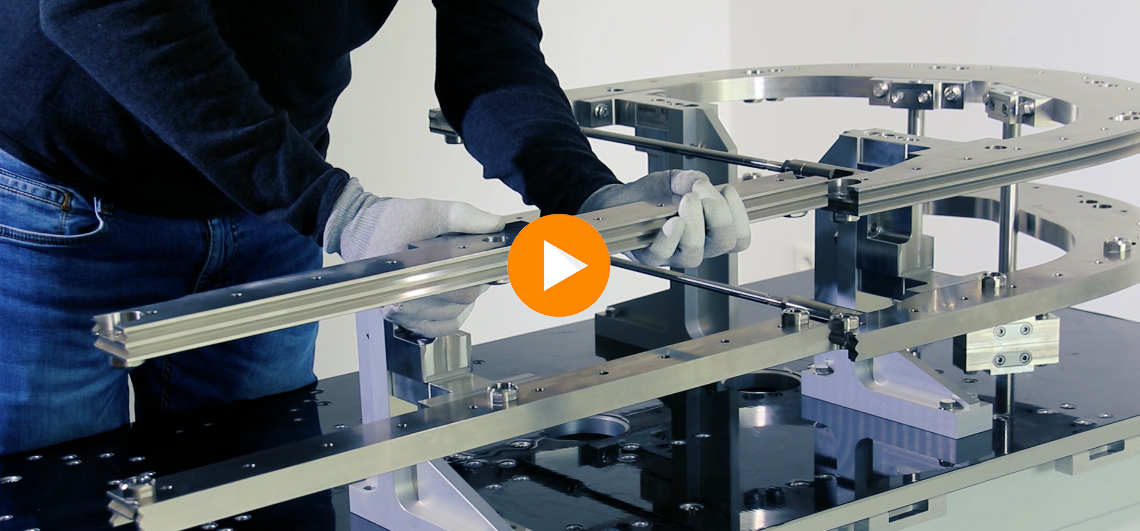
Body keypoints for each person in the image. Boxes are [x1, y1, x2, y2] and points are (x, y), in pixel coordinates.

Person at [0, 0, 750, 455]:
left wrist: (586, 192)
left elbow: (491, 54)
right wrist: (338, 211)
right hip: (61, 201)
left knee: (256, 486)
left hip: (271, 212)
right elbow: (101, 9)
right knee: (58, 497)